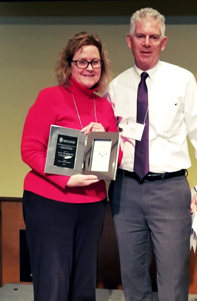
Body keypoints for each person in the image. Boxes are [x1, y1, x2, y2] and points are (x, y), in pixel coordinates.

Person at [105, 7, 197, 301]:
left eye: (153, 37)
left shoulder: (182, 81)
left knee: (172, 279)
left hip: (169, 190)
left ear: (163, 42)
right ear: (129, 40)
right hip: (125, 190)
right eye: (140, 36)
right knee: (133, 277)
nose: (146, 42)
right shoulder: (115, 88)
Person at [21, 31, 118, 301]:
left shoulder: (105, 108)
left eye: (95, 62)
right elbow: (30, 149)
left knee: (84, 287)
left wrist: (103, 138)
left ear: (102, 65)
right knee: (53, 284)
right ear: (69, 64)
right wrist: (66, 180)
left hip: (92, 206)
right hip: (50, 203)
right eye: (82, 61)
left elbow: (115, 159)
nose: (89, 68)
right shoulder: (50, 97)